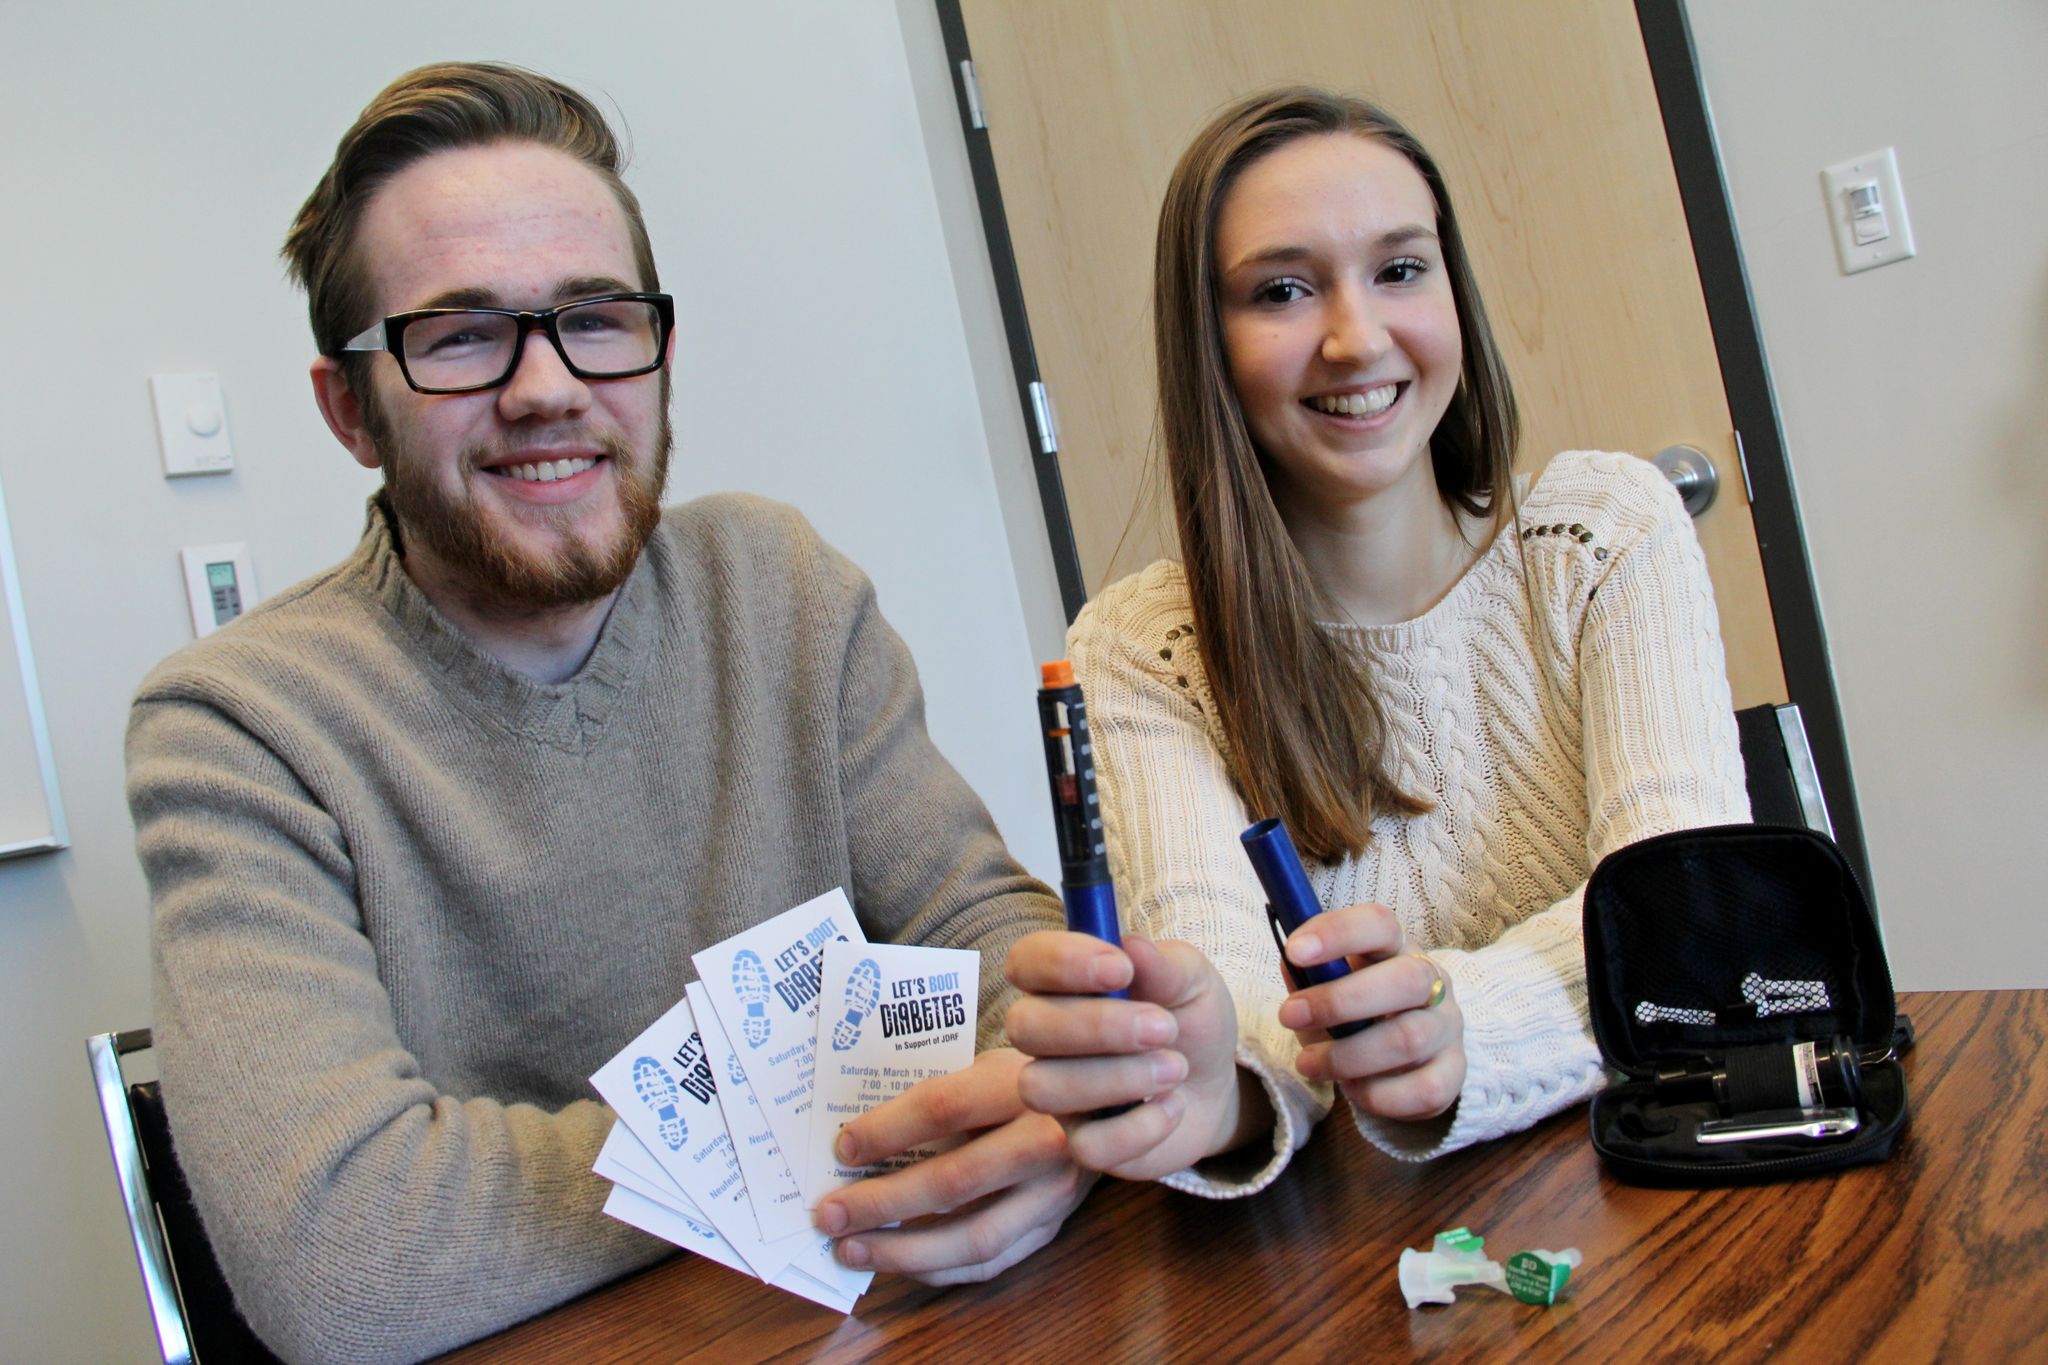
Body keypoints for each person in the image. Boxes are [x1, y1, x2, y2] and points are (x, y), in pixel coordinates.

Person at [126, 62, 1083, 1363]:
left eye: (595, 315)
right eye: (460, 334)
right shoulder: (238, 724)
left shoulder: (782, 587)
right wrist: (859, 1104)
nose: (545, 387)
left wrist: (1021, 1069)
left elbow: (999, 955)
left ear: (661, 351)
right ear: (349, 408)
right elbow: (342, 1257)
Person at [1003, 88, 1751, 1194]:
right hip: (1366, 1256)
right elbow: (1235, 1004)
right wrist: (1216, 1086)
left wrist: (1464, 1029)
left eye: (1400, 270)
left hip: (1668, 1183)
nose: (1356, 339)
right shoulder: (1140, 650)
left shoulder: (1606, 534)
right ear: (1205, 342)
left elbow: (1684, 930)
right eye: (1283, 291)